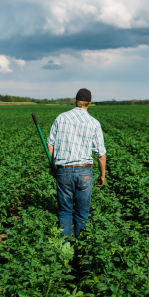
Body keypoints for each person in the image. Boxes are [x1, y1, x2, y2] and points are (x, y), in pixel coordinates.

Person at [46, 88, 107, 240]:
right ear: (90, 103)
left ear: (75, 101)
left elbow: (50, 144)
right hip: (85, 172)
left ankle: (65, 251)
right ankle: (82, 251)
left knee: (65, 211)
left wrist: (51, 166)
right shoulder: (94, 123)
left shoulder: (61, 118)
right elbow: (101, 154)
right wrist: (103, 174)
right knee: (82, 213)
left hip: (63, 170)